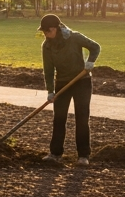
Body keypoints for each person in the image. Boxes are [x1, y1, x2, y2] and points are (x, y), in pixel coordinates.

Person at [40, 13, 100, 166]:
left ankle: (83, 155)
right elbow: (48, 70)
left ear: (55, 28)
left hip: (82, 81)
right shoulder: (46, 46)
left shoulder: (74, 37)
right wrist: (50, 91)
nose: (45, 34)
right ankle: (55, 153)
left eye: (47, 31)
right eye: (44, 31)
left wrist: (90, 62)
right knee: (59, 118)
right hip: (62, 83)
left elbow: (95, 47)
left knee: (82, 118)